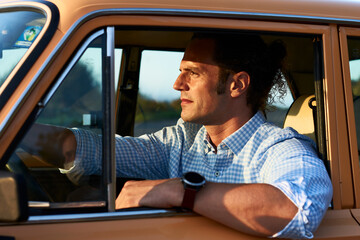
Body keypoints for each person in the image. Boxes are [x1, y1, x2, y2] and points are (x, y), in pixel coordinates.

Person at [60, 33, 333, 239]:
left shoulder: (280, 148)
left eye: (192, 73)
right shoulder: (182, 141)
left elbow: (296, 210)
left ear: (236, 84)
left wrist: (181, 190)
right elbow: (97, 150)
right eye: (181, 72)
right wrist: (32, 138)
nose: (177, 84)